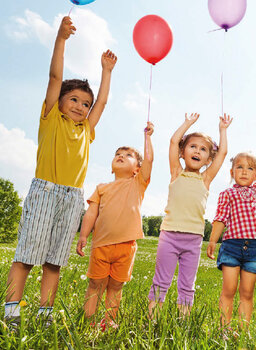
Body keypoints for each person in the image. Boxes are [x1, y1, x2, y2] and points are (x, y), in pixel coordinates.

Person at [4, 16, 117, 327]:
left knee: (54, 262)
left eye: (85, 103)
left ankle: (44, 316)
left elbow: (103, 102)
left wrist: (106, 72)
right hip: (45, 191)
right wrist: (61, 39)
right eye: (75, 100)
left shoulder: (87, 130)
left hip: (72, 199)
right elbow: (55, 77)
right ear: (60, 102)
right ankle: (11, 315)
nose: (81, 106)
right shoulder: (51, 117)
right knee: (26, 257)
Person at [148, 113, 232, 317]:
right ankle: (152, 322)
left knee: (187, 284)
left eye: (203, 149)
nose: (197, 151)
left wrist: (223, 130)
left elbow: (222, 154)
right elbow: (173, 141)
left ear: (207, 159)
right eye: (192, 146)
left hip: (193, 240)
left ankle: (183, 323)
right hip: (169, 235)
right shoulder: (176, 172)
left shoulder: (206, 179)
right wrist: (187, 124)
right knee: (161, 281)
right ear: (182, 152)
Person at [76, 122, 153, 330]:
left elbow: (150, 161)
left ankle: (108, 321)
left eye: (128, 155)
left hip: (126, 246)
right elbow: (91, 213)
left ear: (137, 168)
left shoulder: (138, 183)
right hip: (101, 245)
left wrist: (147, 137)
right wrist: (83, 236)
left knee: (116, 285)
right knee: (95, 284)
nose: (121, 155)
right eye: (118, 153)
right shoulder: (101, 188)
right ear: (111, 166)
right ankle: (88, 321)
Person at [207, 139, 256, 333]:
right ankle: (224, 330)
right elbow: (221, 218)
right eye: (239, 167)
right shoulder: (227, 194)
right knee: (229, 290)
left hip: (254, 249)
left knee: (247, 293)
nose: (244, 171)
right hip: (231, 246)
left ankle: (243, 331)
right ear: (232, 172)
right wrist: (213, 240)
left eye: (250, 168)